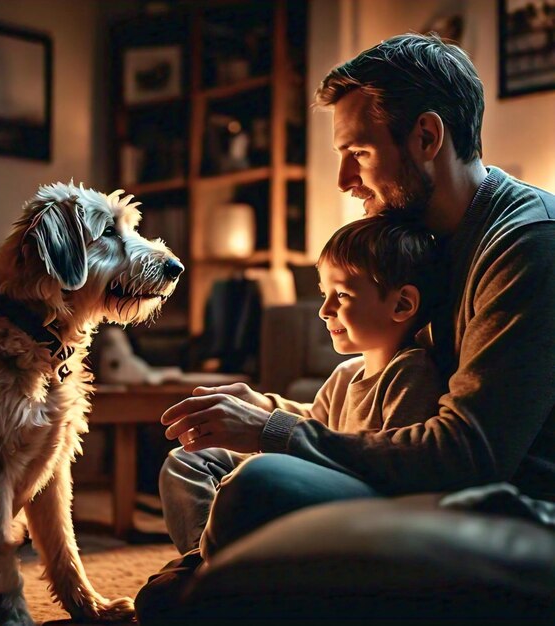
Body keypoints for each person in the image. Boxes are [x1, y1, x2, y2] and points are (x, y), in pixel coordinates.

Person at [146, 31, 555, 586]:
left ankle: (206, 585)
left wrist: (273, 432)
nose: (344, 181)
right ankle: (225, 584)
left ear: (427, 136)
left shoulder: (529, 244)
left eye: (358, 153)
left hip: (503, 512)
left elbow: (465, 454)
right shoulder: (428, 241)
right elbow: (370, 416)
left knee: (259, 486)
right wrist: (265, 414)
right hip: (430, 487)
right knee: (202, 462)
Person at [160, 213, 445, 556]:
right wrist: (262, 406)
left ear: (401, 304)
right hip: (318, 482)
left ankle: (210, 570)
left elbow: (393, 464)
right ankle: (204, 560)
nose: (324, 310)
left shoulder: (412, 373)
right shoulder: (347, 373)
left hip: (359, 509)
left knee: (254, 476)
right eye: (325, 294)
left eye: (341, 295)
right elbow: (314, 422)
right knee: (189, 461)